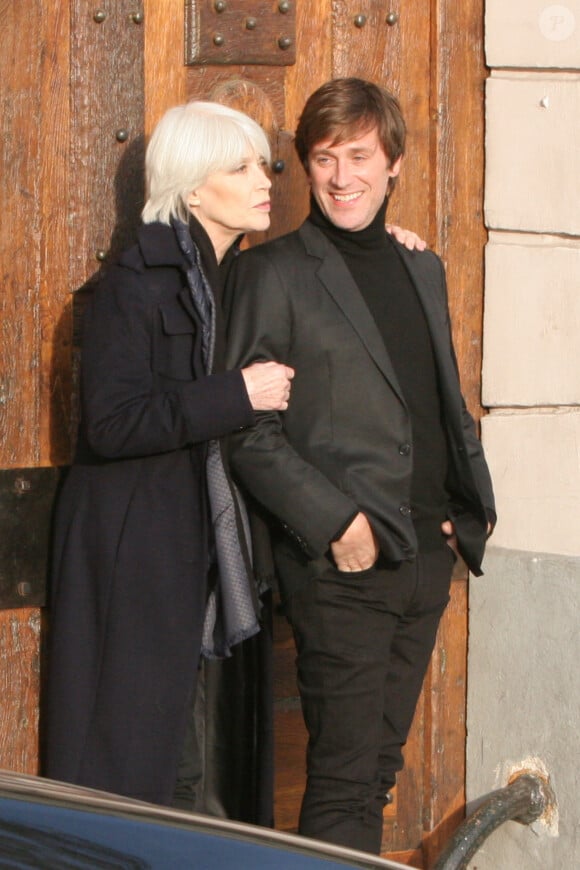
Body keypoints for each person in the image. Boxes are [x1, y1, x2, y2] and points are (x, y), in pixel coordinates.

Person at [224, 77, 496, 854]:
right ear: (305, 168)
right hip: (344, 566)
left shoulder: (423, 267)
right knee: (343, 784)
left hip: (425, 556)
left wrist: (458, 516)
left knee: (376, 774)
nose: (343, 177)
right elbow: (246, 432)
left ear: (395, 162)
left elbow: (436, 397)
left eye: (360, 156)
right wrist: (336, 522)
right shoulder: (270, 273)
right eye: (323, 158)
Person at [44, 100, 295, 811]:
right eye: (239, 166)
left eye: (263, 163)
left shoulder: (235, 276)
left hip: (202, 548)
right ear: (191, 188)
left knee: (202, 758)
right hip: (136, 550)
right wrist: (235, 395)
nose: (262, 178)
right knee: (130, 756)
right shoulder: (134, 282)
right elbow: (113, 423)